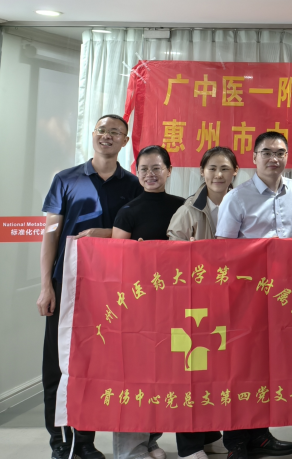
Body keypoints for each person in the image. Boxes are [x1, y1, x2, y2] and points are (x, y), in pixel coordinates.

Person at [38, 114, 143, 459]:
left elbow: (139, 236)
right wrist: (46, 286)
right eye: (102, 130)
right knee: (58, 365)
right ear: (93, 134)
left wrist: (105, 234)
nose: (107, 136)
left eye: (116, 132)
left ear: (125, 141)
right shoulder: (66, 179)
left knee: (99, 366)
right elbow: (50, 234)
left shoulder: (134, 185)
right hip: (66, 285)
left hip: (113, 290)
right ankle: (61, 442)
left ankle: (85, 440)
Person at [216, 131, 292, 459]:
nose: (274, 158)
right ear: (254, 157)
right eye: (266, 152)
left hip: (285, 294)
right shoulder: (237, 198)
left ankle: (261, 434)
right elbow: (223, 251)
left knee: (269, 365)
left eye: (280, 152)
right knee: (240, 366)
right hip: (246, 296)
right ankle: (236, 442)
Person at [109, 146, 187, 459]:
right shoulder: (128, 211)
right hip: (137, 305)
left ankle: (151, 440)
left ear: (169, 170)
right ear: (137, 172)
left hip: (174, 303)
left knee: (163, 375)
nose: (150, 174)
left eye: (157, 168)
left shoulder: (183, 206)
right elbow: (116, 262)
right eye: (144, 169)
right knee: (135, 375)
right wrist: (138, 256)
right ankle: (130, 448)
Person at [167, 146, 238, 459]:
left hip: (232, 301)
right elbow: (171, 256)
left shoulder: (242, 203)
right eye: (212, 168)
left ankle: (211, 436)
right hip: (194, 304)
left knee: (221, 373)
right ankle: (190, 445)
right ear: (201, 171)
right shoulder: (188, 210)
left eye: (225, 169)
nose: (218, 175)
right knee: (192, 372)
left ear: (235, 172)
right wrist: (192, 253)